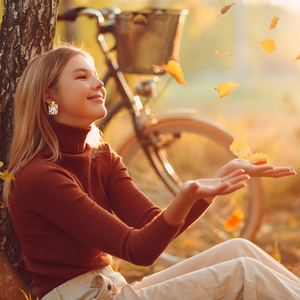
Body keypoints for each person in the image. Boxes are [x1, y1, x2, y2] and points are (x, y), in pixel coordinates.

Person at [2, 45, 299, 300]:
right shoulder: (40, 175)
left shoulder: (102, 158)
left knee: (239, 250)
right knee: (245, 273)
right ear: (49, 96)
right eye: (82, 77)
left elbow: (152, 227)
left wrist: (211, 186)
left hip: (113, 289)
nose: (99, 83)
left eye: (95, 74)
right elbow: (137, 250)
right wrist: (188, 194)